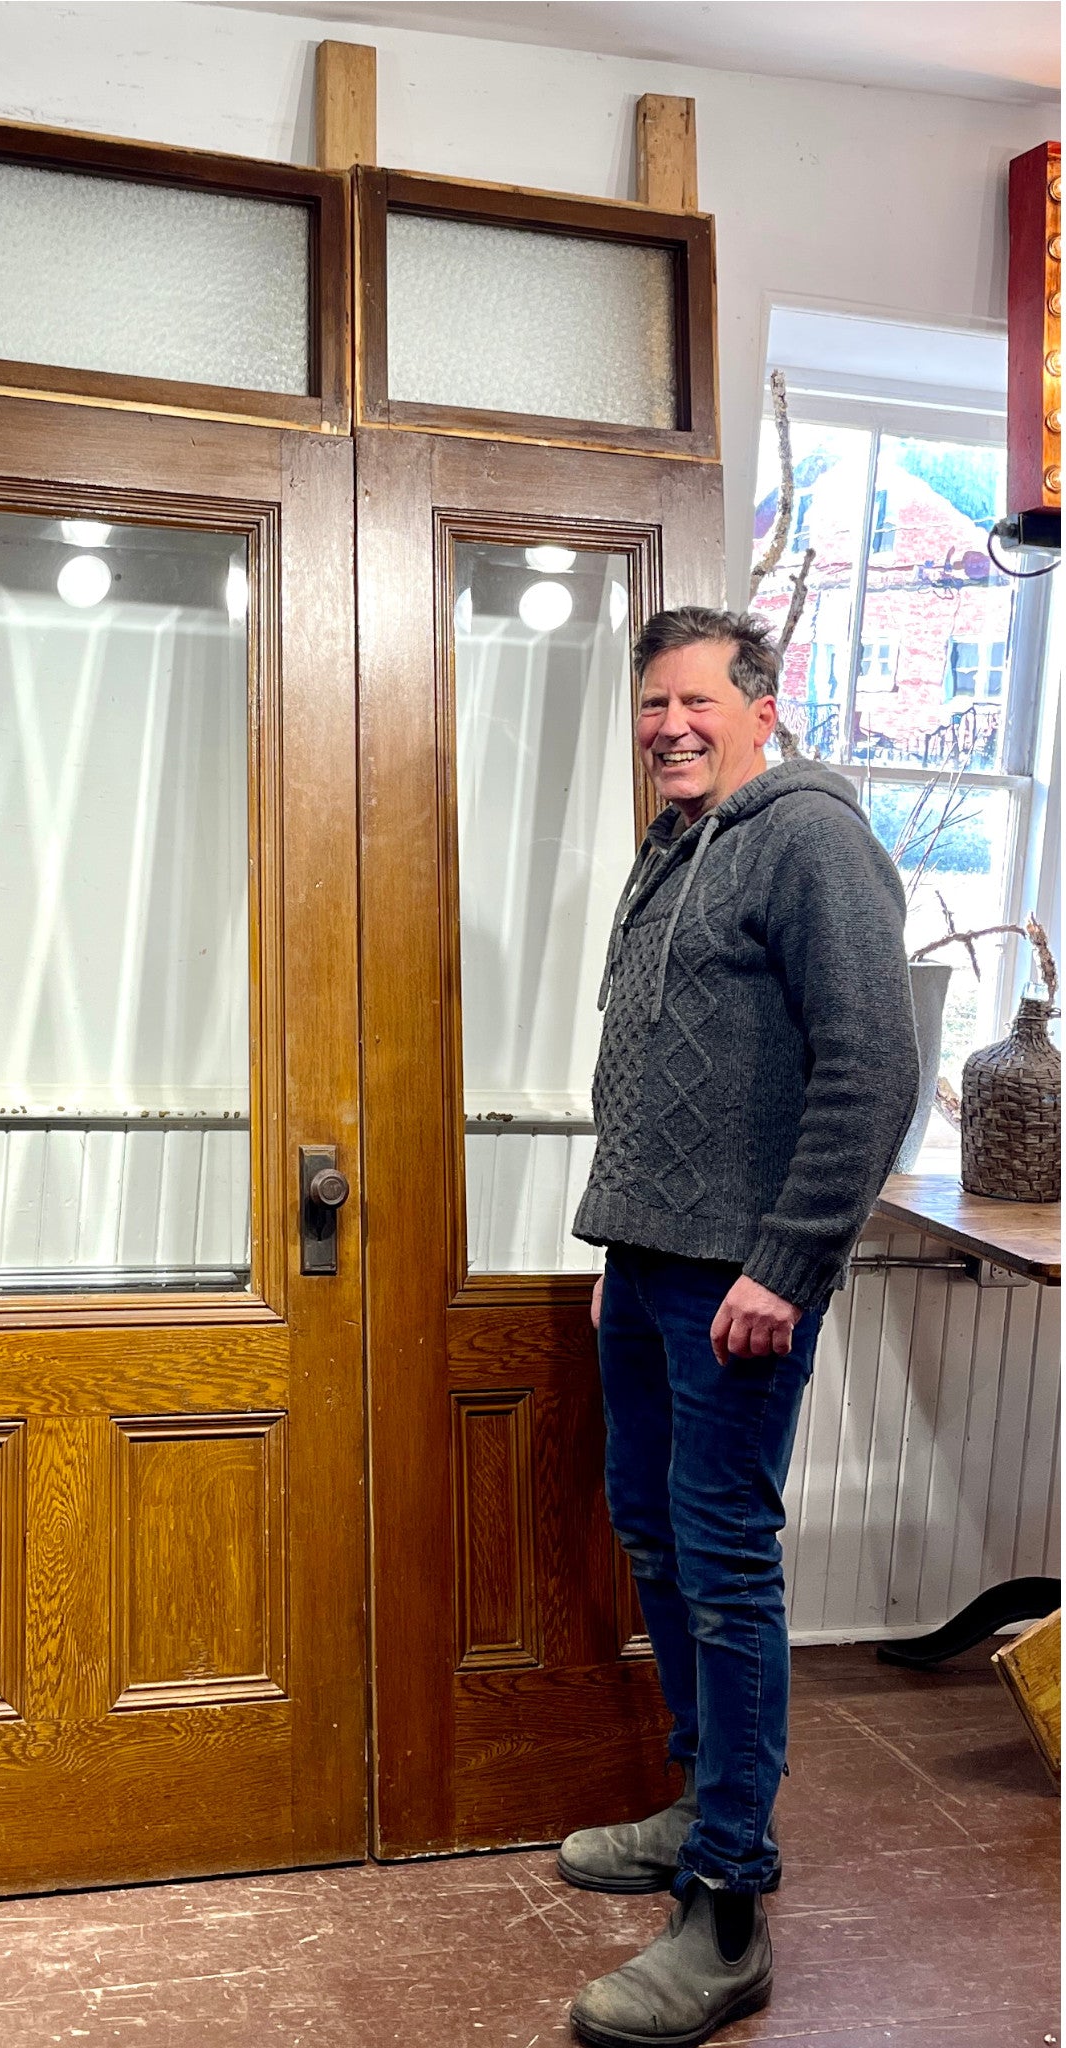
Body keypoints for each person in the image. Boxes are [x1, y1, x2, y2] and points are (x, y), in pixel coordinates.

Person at [559, 608, 917, 2048]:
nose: (670, 726)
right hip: (649, 1268)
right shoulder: (673, 845)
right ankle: (700, 1800)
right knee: (652, 1533)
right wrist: (622, 1242)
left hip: (740, 1289)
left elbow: (873, 1069)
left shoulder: (811, 840)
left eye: (697, 701)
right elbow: (651, 1066)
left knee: (721, 1567)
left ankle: (727, 1903)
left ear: (763, 709)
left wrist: (787, 1264)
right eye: (653, 704)